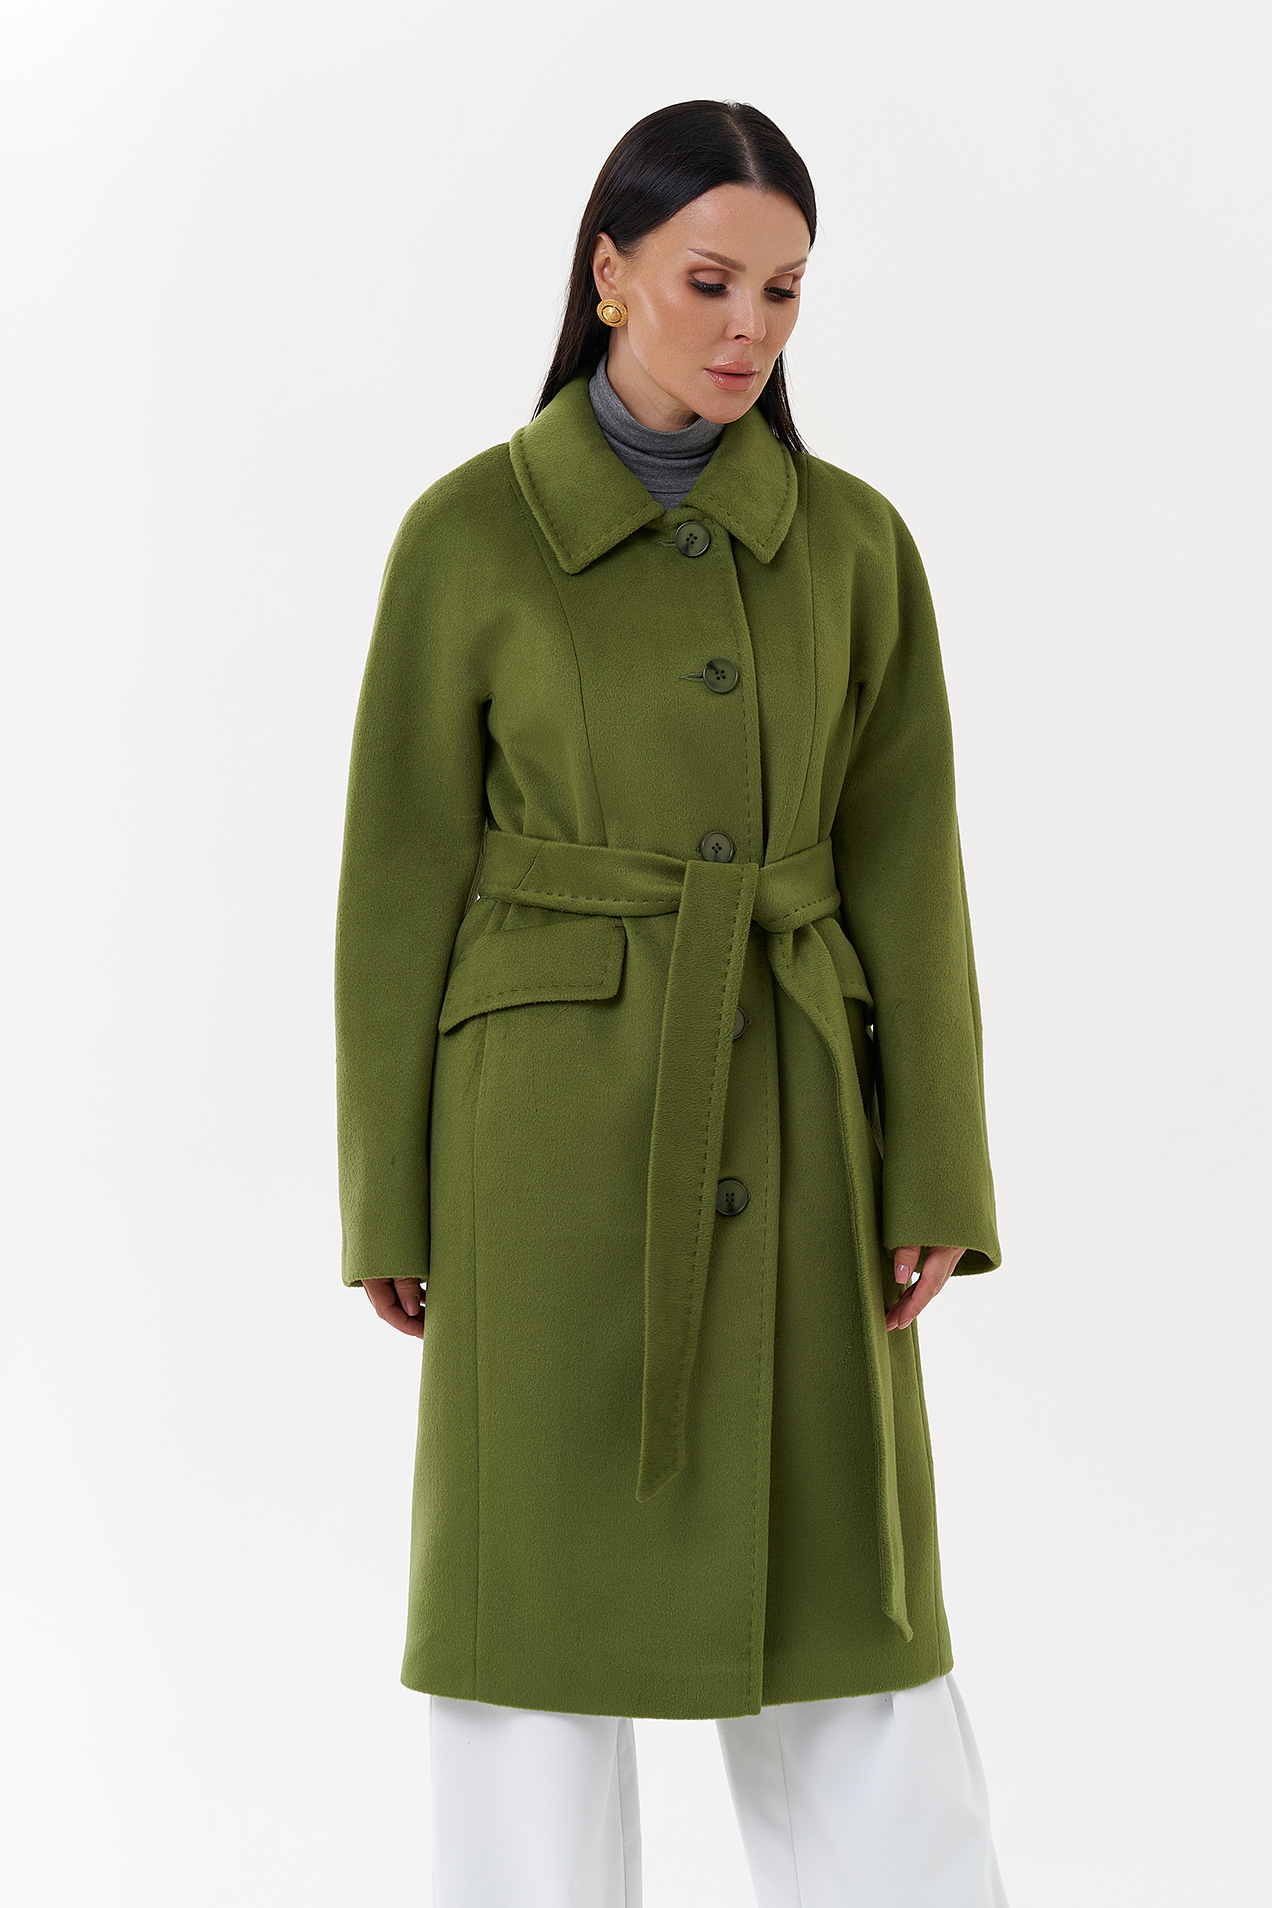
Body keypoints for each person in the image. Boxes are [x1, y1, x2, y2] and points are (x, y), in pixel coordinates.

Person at [335, 98, 1009, 1907]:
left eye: (785, 292)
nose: (749, 330)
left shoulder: (854, 546)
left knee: (854, 1634)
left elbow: (909, 874)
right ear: (610, 270)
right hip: (540, 1143)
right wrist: (389, 1200)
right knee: (527, 1650)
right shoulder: (468, 538)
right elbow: (396, 889)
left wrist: (936, 1168)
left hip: (800, 1122)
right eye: (712, 281)